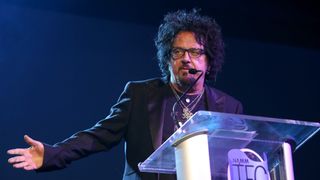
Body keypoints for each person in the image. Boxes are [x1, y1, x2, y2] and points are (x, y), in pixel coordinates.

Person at [7, 9, 243, 180]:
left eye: (195, 52)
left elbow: (237, 164)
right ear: (167, 58)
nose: (186, 58)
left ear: (209, 62)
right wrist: (51, 154)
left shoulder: (229, 107)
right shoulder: (140, 95)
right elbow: (97, 136)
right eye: (178, 51)